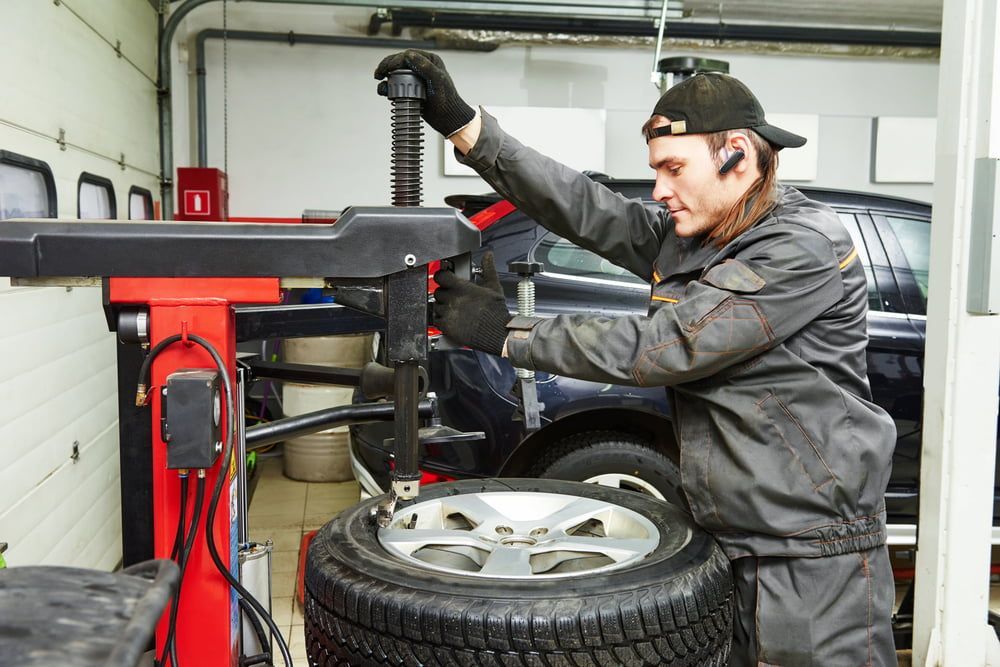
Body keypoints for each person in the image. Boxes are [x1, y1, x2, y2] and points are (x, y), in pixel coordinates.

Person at [375, 50, 897, 666]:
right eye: (656, 171)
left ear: (739, 152)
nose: (660, 190)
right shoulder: (704, 236)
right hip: (728, 540)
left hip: (812, 559)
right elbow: (589, 209)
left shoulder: (800, 246)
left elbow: (667, 346)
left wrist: (503, 331)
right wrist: (468, 128)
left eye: (675, 169)